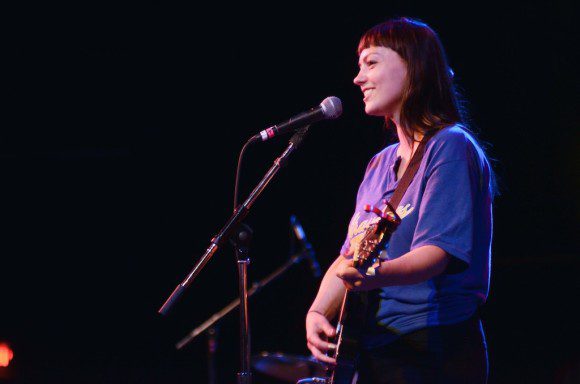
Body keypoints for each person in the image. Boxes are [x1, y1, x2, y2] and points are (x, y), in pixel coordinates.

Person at [305, 17, 495, 384]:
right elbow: (351, 255)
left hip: (432, 349)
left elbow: (437, 253)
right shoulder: (379, 164)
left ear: (414, 67)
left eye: (371, 62)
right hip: (377, 347)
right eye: (359, 66)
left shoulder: (450, 146)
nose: (358, 78)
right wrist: (317, 311)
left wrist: (370, 275)